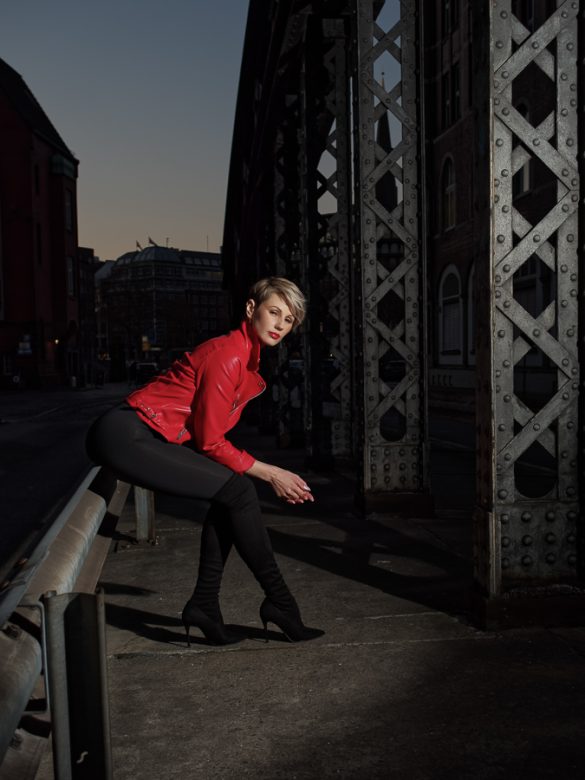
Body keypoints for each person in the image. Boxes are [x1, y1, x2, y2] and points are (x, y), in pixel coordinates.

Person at [86, 277, 323, 646]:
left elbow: (204, 437)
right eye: (274, 312)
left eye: (289, 319)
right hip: (126, 434)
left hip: (144, 435)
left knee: (232, 493)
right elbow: (210, 441)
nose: (280, 324)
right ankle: (280, 603)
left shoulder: (245, 360)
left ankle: (206, 605)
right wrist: (271, 473)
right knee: (241, 490)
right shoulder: (228, 354)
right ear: (250, 309)